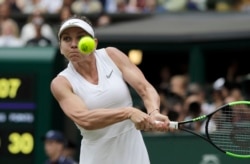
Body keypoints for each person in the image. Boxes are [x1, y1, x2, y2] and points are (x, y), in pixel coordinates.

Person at [50, 15, 171, 164]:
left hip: (132, 151)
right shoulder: (61, 83)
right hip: (97, 157)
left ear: (94, 43)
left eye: (81, 37)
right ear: (61, 47)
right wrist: (128, 112)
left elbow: (145, 88)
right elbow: (84, 119)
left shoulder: (112, 55)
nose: (74, 44)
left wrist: (154, 112)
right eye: (67, 39)